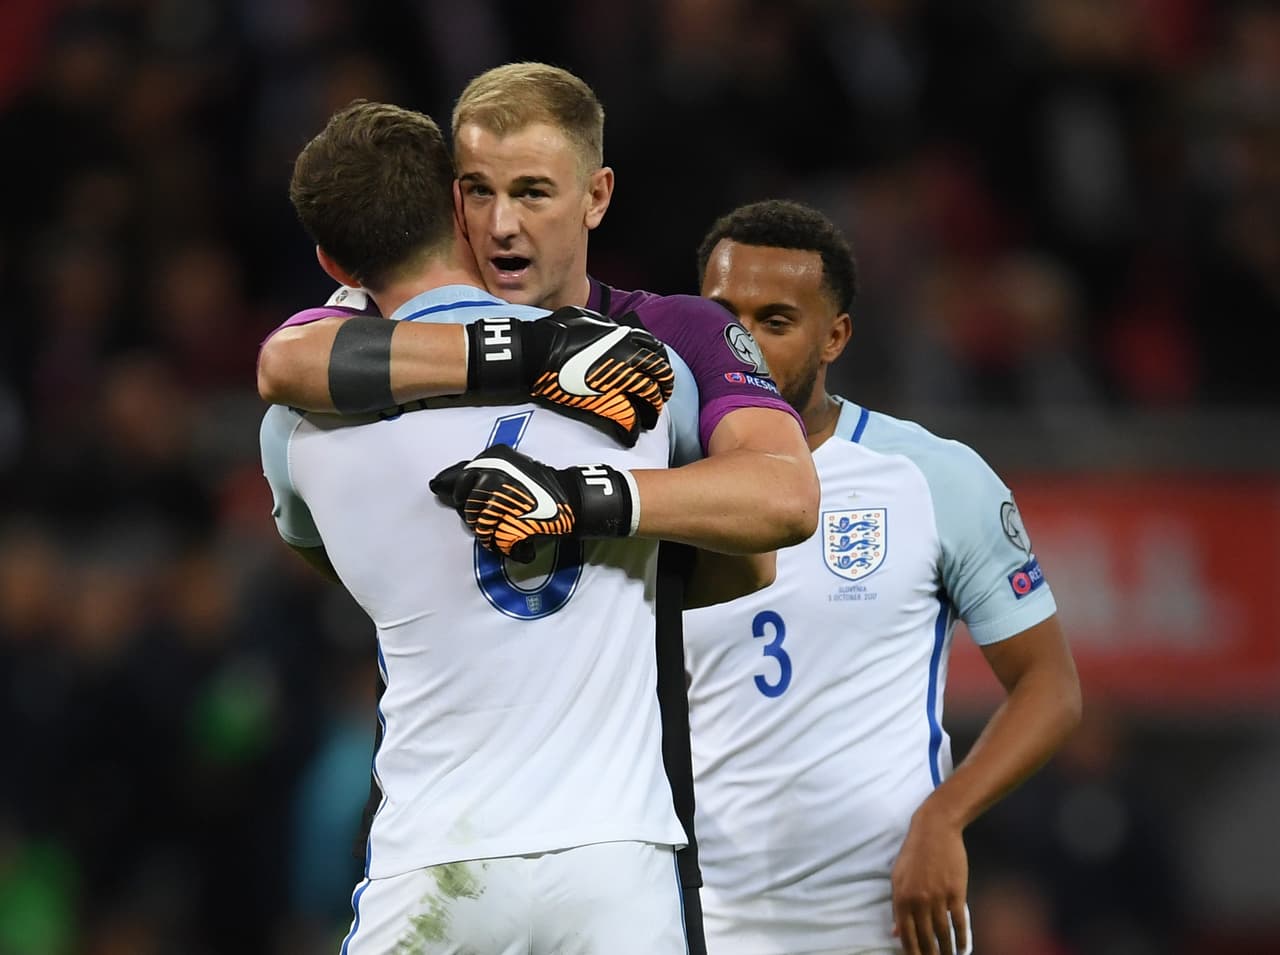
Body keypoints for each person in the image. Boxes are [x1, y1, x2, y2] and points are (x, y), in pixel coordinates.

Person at [256, 63, 819, 949]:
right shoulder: (364, 328)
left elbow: (783, 501)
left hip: (604, 821)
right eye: (478, 192)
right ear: (449, 203)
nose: (503, 224)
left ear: (597, 197)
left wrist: (579, 503)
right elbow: (279, 365)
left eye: (532, 192)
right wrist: (541, 356)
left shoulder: (677, 334)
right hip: (507, 831)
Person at [683, 199, 1083, 955]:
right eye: (722, 316)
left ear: (834, 335)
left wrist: (946, 816)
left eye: (775, 321)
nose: (740, 343)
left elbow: (1051, 687)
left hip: (882, 922)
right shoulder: (655, 482)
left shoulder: (933, 476)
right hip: (693, 921)